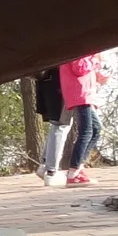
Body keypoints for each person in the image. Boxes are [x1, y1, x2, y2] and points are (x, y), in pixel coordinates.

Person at [44, 54, 103, 187]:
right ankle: (73, 173)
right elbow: (79, 68)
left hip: (85, 93)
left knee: (96, 129)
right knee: (86, 131)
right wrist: (95, 60)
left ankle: (77, 168)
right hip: (79, 93)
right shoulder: (79, 48)